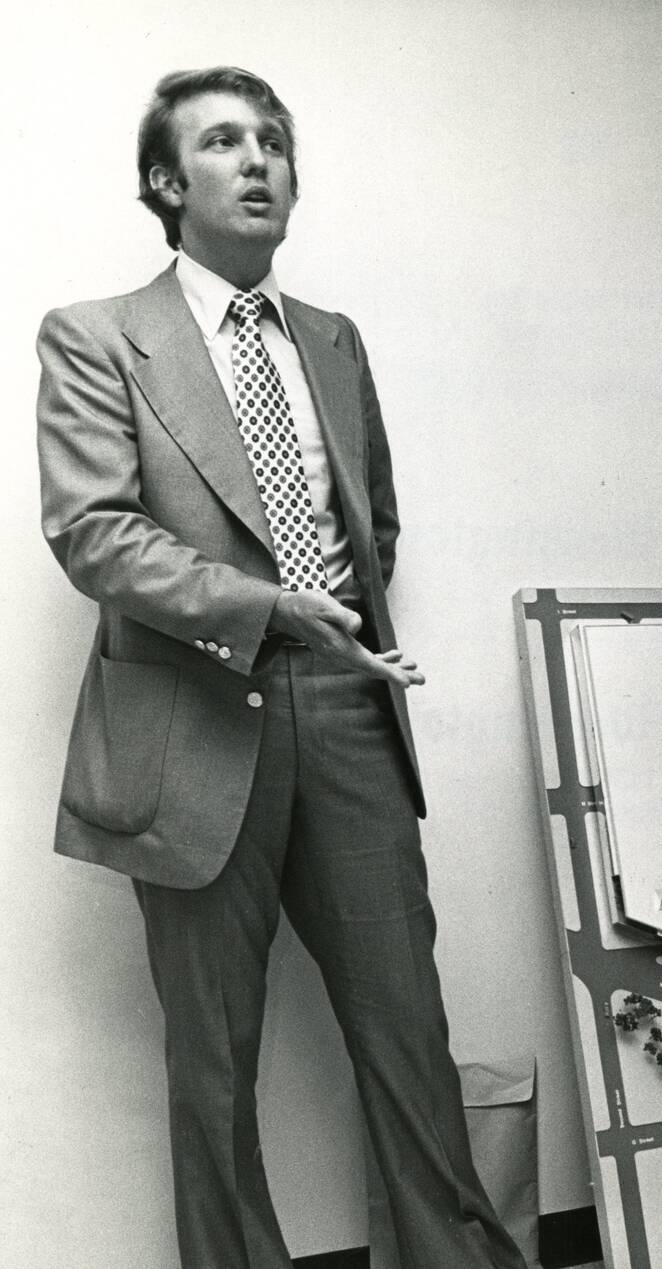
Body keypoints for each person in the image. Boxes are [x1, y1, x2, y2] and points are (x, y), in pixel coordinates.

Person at [36, 66, 526, 1269]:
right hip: (192, 724)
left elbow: (377, 525)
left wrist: (334, 626)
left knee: (408, 1035)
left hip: (347, 713)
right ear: (167, 182)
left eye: (273, 143)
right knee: (215, 1062)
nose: (257, 161)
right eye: (221, 143)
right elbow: (92, 532)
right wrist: (268, 611)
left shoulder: (333, 341)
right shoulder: (99, 337)